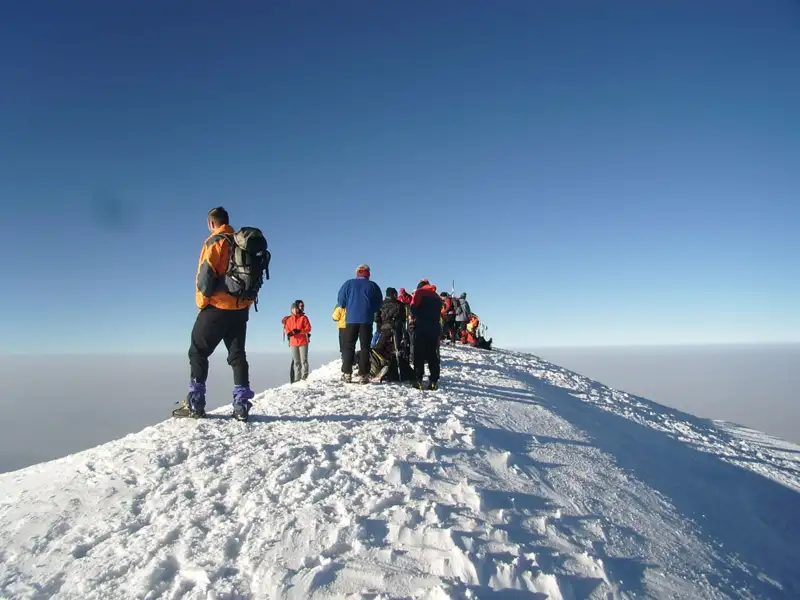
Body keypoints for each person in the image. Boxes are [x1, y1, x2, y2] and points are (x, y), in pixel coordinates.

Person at [182, 207, 256, 421]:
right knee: (238, 355)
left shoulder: (215, 241)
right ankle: (241, 406)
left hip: (217, 307)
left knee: (197, 352)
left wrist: (203, 304)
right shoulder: (241, 242)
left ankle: (195, 404)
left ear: (211, 223)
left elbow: (205, 277)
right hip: (240, 309)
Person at [336, 264, 383, 383]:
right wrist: (370, 310)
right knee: (365, 347)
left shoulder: (348, 284)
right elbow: (378, 304)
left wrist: (348, 306)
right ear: (368, 273)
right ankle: (363, 375)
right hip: (366, 320)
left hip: (351, 320)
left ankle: (347, 373)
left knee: (348, 346)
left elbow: (341, 301)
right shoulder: (373, 286)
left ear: (357, 273)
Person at [409, 280, 443, 390]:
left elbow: (413, 308)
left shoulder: (419, 293)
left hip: (421, 327)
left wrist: (416, 317)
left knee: (419, 353)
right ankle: (433, 381)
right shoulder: (436, 296)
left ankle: (418, 379)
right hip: (434, 328)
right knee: (432, 354)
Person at [372, 287, 406, 380]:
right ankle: (396, 373)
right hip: (396, 329)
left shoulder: (380, 304)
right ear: (394, 294)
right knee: (396, 350)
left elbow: (376, 318)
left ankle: (381, 368)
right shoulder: (400, 304)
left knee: (381, 349)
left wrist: (381, 326)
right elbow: (403, 318)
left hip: (384, 329)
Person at [283, 300, 312, 382]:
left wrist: (299, 331)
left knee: (304, 360)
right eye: (293, 309)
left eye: (296, 309)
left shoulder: (303, 318)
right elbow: (287, 329)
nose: (295, 310)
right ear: (291, 310)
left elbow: (308, 328)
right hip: (293, 343)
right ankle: (297, 379)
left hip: (303, 342)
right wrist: (290, 333)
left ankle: (305, 376)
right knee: (296, 362)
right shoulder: (289, 320)